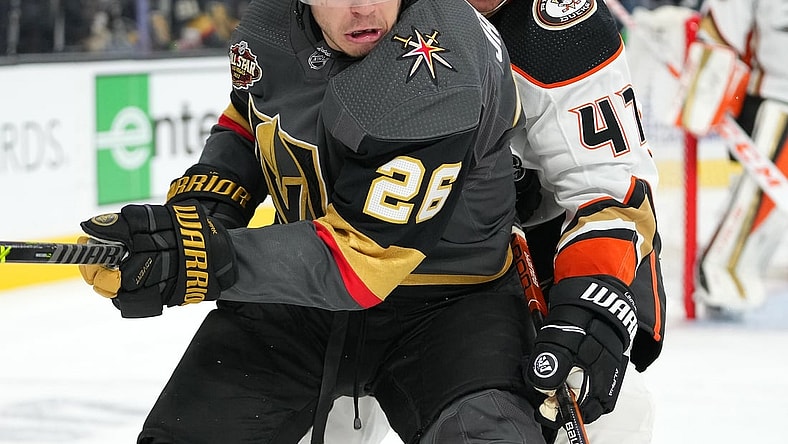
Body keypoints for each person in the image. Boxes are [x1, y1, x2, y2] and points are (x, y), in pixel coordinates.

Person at [77, 1, 664, 444]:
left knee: (611, 418)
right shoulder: (301, 23)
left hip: (464, 292)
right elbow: (255, 112)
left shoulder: (551, 31)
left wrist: (597, 300)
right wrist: (196, 216)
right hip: (308, 291)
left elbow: (610, 188)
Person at [686, 0, 788, 316]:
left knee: (774, 207)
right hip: (775, 97)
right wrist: (708, 83)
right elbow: (721, 23)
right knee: (761, 199)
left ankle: (733, 273)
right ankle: (719, 274)